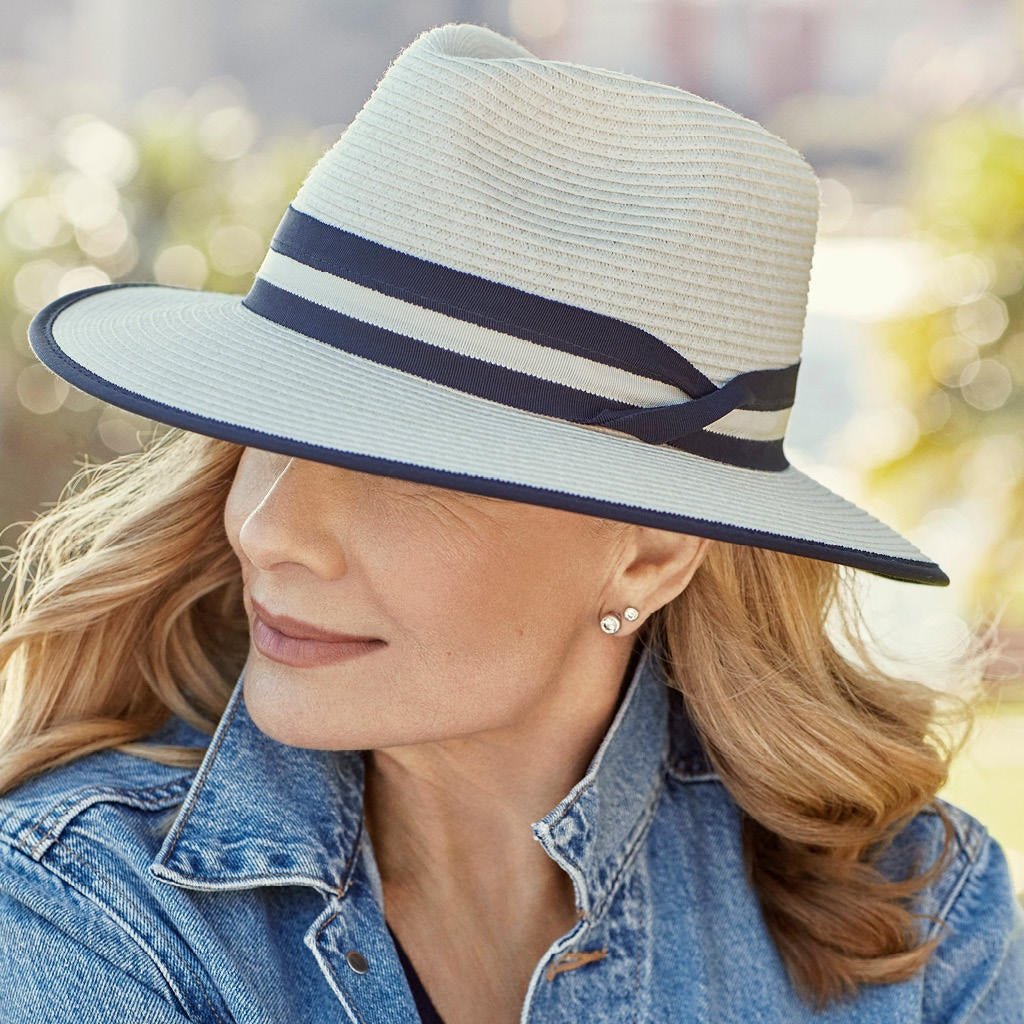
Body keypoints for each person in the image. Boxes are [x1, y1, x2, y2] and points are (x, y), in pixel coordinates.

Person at [1, 19, 1021, 1024]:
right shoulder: (83, 906)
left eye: (399, 470)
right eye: (265, 437)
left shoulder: (916, 919)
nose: (270, 533)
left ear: (652, 554)